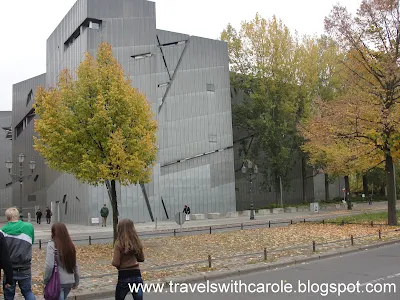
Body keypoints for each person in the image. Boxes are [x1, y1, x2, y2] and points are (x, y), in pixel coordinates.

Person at [1, 207, 35, 300]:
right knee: (28, 292)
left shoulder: (3, 231)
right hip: (25, 266)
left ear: (7, 217)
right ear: (17, 216)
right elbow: (31, 242)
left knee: (8, 295)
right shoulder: (29, 227)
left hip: (9, 269)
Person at [44, 223, 79, 300]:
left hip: (57, 281)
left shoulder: (52, 245)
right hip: (70, 281)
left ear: (53, 232)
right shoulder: (70, 245)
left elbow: (49, 265)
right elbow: (75, 265)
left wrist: (46, 280)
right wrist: (76, 281)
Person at [112, 219, 144, 300]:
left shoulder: (119, 243)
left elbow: (116, 262)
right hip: (136, 274)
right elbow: (141, 258)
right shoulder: (136, 242)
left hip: (124, 275)